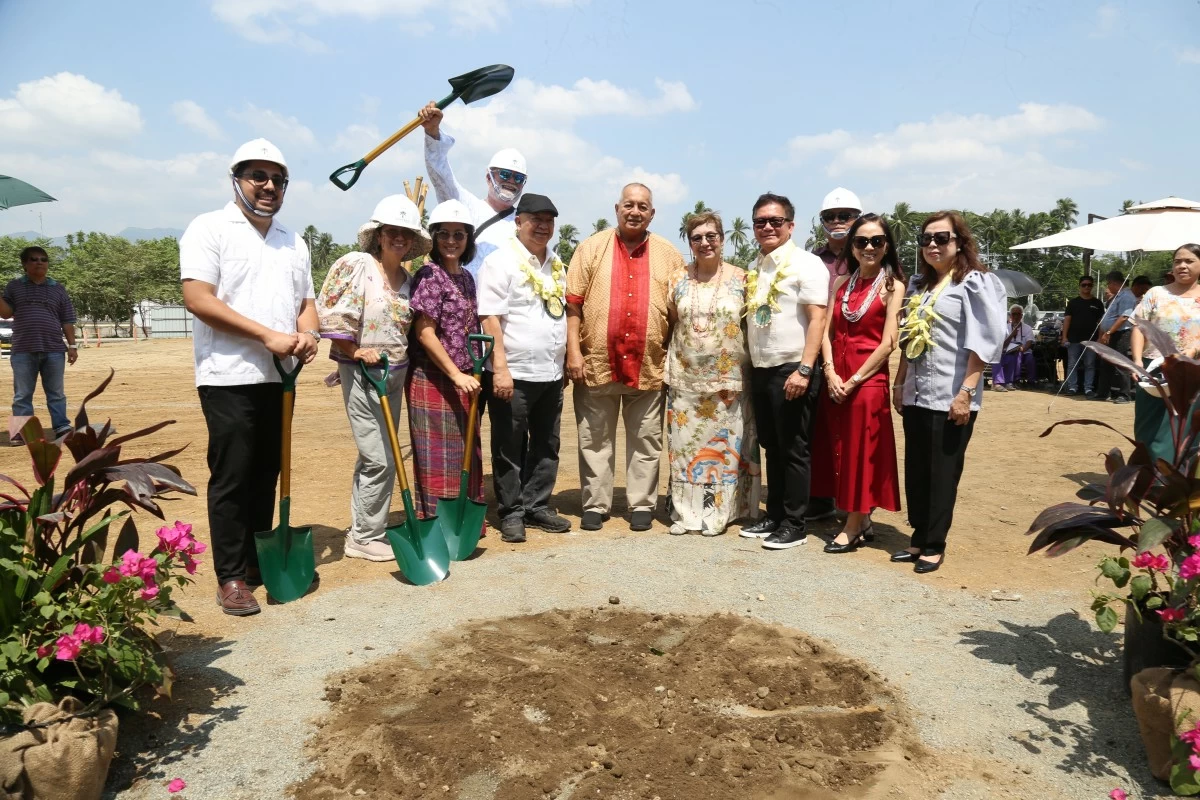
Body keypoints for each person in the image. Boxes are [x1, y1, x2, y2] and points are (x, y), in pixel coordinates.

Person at [181, 138, 320, 615]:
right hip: (228, 375)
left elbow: (306, 304)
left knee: (268, 471)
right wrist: (268, 336)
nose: (268, 186)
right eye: (258, 176)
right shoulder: (209, 229)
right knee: (233, 476)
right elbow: (199, 299)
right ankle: (232, 576)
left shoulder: (293, 240)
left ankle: (261, 561)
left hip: (279, 377)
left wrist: (308, 334)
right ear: (236, 179)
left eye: (278, 179)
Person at [565, 184, 685, 532]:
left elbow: (677, 313)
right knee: (594, 437)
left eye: (643, 206)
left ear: (652, 213)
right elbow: (573, 304)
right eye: (629, 205)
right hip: (597, 361)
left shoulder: (668, 254)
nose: (635, 211)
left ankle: (642, 504)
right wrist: (574, 352)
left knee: (646, 439)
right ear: (617, 208)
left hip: (648, 365)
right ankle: (596, 503)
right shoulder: (590, 248)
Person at [318, 195, 430, 562]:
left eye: (406, 233)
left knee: (381, 453)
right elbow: (334, 316)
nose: (399, 239)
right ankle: (364, 536)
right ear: (379, 236)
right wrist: (354, 353)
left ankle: (366, 525)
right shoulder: (359, 265)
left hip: (394, 377)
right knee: (379, 457)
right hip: (365, 374)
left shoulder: (410, 280)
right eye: (392, 232)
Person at [892, 211, 1006, 574]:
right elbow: (910, 339)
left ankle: (935, 543)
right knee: (918, 468)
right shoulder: (918, 286)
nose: (932, 245)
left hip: (952, 394)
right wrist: (899, 382)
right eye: (926, 239)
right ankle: (919, 534)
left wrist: (967, 392)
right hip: (916, 393)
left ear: (960, 243)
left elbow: (983, 340)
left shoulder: (974, 283)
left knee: (943, 469)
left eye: (941, 238)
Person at [477, 193, 572, 543]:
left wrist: (561, 362)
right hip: (513, 372)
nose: (543, 226)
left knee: (547, 444)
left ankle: (537, 505)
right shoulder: (500, 262)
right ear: (519, 222)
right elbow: (490, 318)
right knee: (509, 445)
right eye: (535, 219)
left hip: (550, 372)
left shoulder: (557, 264)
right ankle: (512, 511)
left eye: (549, 220)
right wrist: (500, 369)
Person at [738, 192, 829, 551]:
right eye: (760, 221)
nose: (768, 227)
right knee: (772, 446)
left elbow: (817, 319)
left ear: (791, 226)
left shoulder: (806, 265)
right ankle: (774, 514)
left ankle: (795, 522)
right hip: (762, 369)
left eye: (776, 221)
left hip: (793, 368)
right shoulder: (757, 267)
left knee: (794, 449)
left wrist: (805, 370)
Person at [664, 211, 760, 536]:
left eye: (711, 236)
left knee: (722, 452)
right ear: (689, 242)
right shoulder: (677, 279)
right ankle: (686, 515)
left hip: (727, 383)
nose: (704, 242)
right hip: (684, 381)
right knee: (686, 451)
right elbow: (674, 319)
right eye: (697, 237)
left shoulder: (743, 279)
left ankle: (717, 514)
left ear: (721, 238)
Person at [812, 214, 903, 553]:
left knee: (861, 452)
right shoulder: (841, 285)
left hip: (866, 380)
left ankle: (852, 525)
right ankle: (861, 517)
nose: (868, 247)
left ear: (886, 246)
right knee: (838, 449)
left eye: (876, 241)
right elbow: (826, 331)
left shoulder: (893, 286)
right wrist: (831, 372)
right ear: (851, 246)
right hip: (836, 377)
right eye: (861, 241)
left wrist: (852, 380)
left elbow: (888, 342)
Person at [405, 199, 487, 529]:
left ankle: (465, 522)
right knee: (436, 455)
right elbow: (424, 332)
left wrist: (469, 372)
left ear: (468, 240)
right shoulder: (430, 275)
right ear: (434, 239)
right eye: (444, 235)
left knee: (466, 450)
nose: (451, 241)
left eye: (459, 234)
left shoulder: (466, 277)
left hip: (466, 376)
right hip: (434, 378)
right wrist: (454, 374)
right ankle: (437, 524)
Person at [804, 187, 862, 522]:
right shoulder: (814, 258)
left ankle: (852, 500)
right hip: (817, 349)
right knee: (817, 427)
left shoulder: (869, 255)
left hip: (854, 349)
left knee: (851, 429)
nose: (838, 221)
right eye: (830, 216)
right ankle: (821, 495)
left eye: (845, 215)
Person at [419, 102, 527, 280]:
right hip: (467, 302)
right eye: (505, 174)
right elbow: (441, 176)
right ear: (488, 177)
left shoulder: (523, 224)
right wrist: (432, 132)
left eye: (518, 178)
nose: (511, 182)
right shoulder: (467, 207)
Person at [1130, 244, 1200, 465]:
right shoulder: (1156, 294)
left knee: (1187, 426)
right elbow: (1139, 327)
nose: (1182, 266)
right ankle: (1149, 478)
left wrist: (1194, 349)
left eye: (1189, 261)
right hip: (1154, 369)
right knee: (1149, 423)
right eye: (1178, 261)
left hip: (1192, 370)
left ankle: (1180, 480)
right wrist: (1137, 362)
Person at [0, 246, 78, 443]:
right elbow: (6, 314)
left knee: (56, 393)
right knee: (22, 395)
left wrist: (72, 346)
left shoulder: (57, 288)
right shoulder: (14, 287)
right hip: (23, 350)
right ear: (25, 264)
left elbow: (67, 319)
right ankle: (21, 432)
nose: (40, 262)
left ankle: (61, 426)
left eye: (43, 259)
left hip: (53, 349)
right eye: (34, 259)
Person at [1095, 270, 1139, 404]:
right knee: (1106, 363)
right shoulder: (1116, 296)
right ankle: (1103, 392)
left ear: (1114, 283)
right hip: (1110, 333)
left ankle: (1125, 394)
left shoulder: (1127, 296)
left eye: (1109, 284)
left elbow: (1124, 317)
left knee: (1121, 363)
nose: (1108, 287)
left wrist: (1109, 332)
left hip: (1120, 333)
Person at [1061, 275, 1106, 397]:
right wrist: (1064, 337)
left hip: (1091, 340)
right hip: (1073, 339)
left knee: (1090, 364)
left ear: (1092, 286)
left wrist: (1100, 338)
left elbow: (1101, 322)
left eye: (1089, 285)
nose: (1087, 287)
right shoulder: (1073, 303)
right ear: (1080, 286)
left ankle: (1088, 388)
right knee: (1072, 364)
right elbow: (1067, 320)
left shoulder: (1097, 303)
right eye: (1084, 285)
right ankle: (1072, 387)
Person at [992, 305, 1036, 391]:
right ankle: (1013, 381)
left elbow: (1029, 342)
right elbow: (1003, 344)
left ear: (1021, 316)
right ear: (1010, 315)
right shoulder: (1005, 327)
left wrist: (1023, 349)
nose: (1016, 316)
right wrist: (1012, 334)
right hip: (1009, 351)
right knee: (1010, 356)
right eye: (1014, 314)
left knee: (1030, 359)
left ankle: (1031, 382)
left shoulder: (1027, 328)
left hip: (1024, 351)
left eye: (1018, 314)